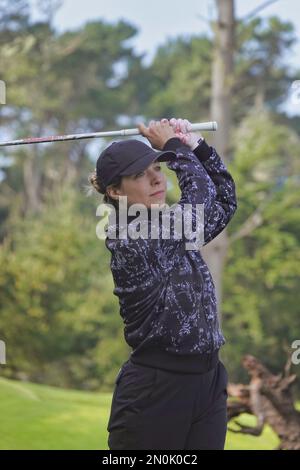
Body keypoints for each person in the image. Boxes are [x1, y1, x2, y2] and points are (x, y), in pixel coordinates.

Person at [89, 118, 237, 450]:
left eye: (157, 166)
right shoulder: (130, 236)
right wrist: (174, 147)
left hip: (208, 382)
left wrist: (196, 145)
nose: (157, 178)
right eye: (140, 174)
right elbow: (200, 201)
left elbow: (224, 201)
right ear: (115, 191)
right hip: (156, 391)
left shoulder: (173, 227)